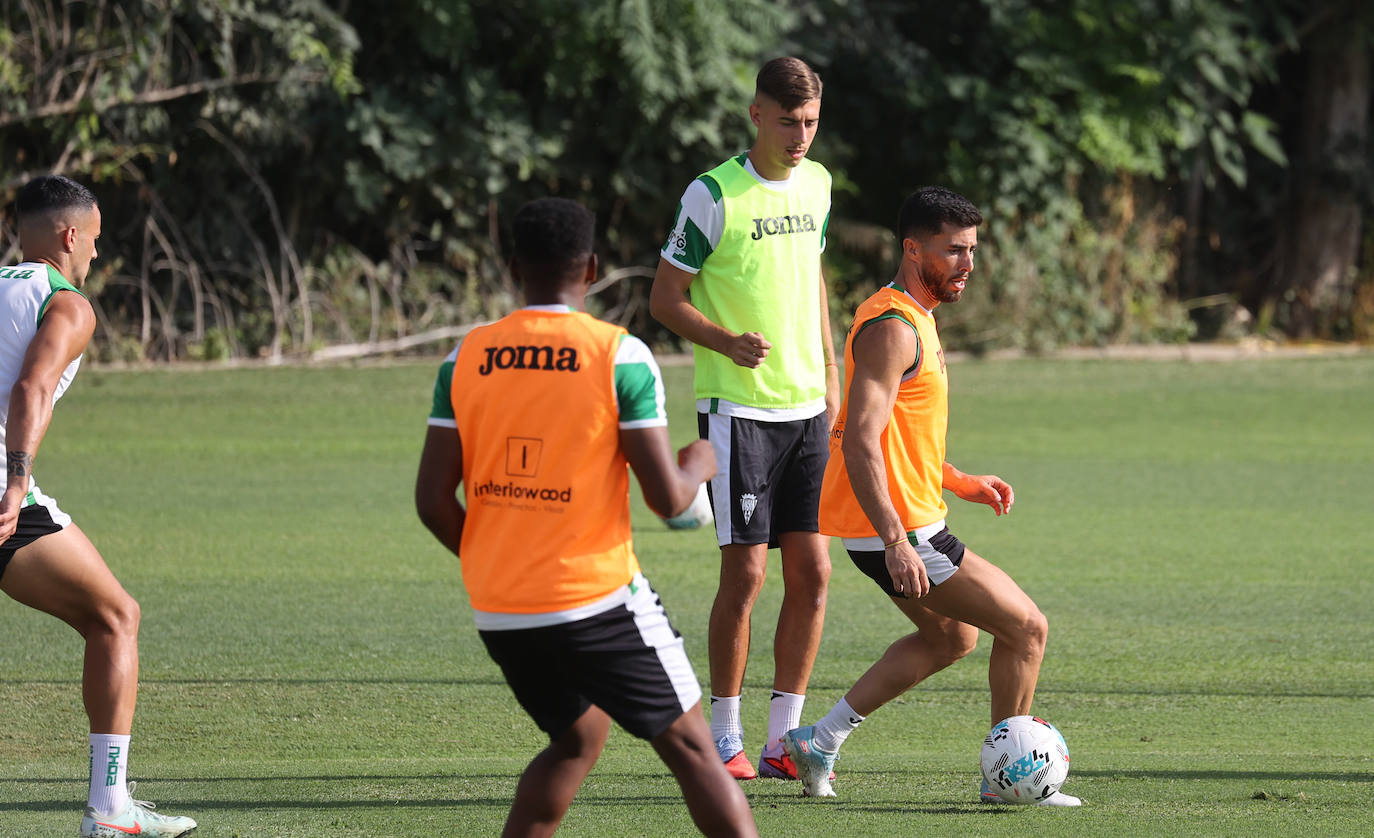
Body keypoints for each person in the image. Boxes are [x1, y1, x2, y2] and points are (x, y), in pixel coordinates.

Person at [415, 197, 758, 837]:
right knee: (693, 750)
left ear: (514, 268)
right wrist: (701, 461)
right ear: (593, 267)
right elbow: (668, 498)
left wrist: (503, 562)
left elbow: (432, 500)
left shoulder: (465, 357)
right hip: (593, 600)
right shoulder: (617, 355)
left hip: (501, 608)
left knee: (577, 740)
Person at [781, 187, 1081, 806]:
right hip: (901, 531)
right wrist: (895, 541)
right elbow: (860, 442)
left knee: (952, 639)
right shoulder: (892, 327)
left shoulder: (914, 318)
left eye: (972, 249)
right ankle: (1012, 778)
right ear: (914, 249)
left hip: (894, 523)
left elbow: (896, 438)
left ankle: (819, 742)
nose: (967, 263)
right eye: (954, 251)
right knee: (1026, 628)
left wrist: (960, 480)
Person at [648, 56, 841, 782]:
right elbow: (666, 299)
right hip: (738, 411)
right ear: (756, 113)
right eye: (789, 122)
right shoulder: (712, 194)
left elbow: (813, 286)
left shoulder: (820, 184)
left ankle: (783, 739)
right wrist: (726, 341)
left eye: (812, 123)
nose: (801, 137)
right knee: (748, 573)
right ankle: (723, 735)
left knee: (815, 574)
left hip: (808, 409)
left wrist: (832, 378)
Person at [0, 175, 198, 837]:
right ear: (69, 236)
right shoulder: (66, 303)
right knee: (116, 617)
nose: (94, 256)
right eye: (95, 240)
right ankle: (110, 812)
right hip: (1, 491)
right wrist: (17, 480)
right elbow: (31, 387)